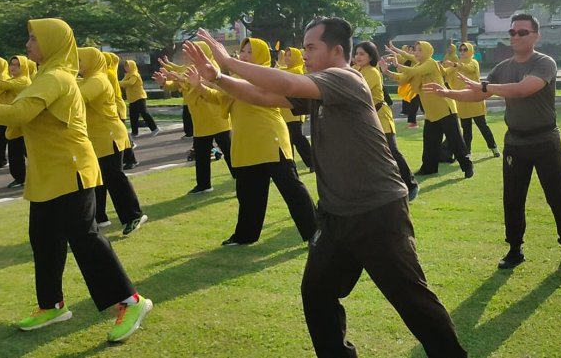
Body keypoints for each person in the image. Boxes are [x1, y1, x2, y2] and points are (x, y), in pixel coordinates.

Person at [185, 18, 466, 358]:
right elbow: (262, 94)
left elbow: (285, 80)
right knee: (317, 292)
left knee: (411, 299)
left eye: (311, 47)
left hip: (377, 211)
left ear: (336, 51)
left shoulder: (346, 78)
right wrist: (217, 77)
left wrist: (228, 61)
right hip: (336, 216)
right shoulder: (318, 88)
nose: (305, 53)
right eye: (304, 47)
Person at [0, 18, 151, 341]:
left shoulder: (56, 77)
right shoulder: (45, 76)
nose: (28, 45)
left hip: (70, 169)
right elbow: (21, 118)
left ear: (52, 43)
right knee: (44, 240)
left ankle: (131, 302)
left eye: (33, 39)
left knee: (85, 238)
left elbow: (17, 115)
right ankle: (52, 306)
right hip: (48, 172)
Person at [424, 13, 561, 271]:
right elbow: (477, 94)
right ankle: (514, 249)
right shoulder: (503, 67)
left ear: (536, 36)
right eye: (513, 32)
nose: (516, 36)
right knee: (513, 198)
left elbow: (523, 89)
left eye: (523, 32)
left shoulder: (544, 63)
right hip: (516, 142)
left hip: (545, 140)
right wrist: (447, 93)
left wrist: (485, 87)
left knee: (557, 196)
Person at [182, 37, 317, 246]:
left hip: (269, 139)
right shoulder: (235, 78)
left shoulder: (268, 77)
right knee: (248, 192)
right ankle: (245, 235)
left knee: (291, 188)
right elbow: (220, 98)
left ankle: (314, 232)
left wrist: (218, 76)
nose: (243, 55)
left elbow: (242, 88)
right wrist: (198, 86)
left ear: (261, 55)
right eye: (242, 52)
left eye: (249, 52)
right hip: (246, 141)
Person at [78, 47, 148, 236]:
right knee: (98, 179)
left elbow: (78, 96)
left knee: (114, 177)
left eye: (79, 60)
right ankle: (100, 217)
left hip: (109, 136)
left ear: (91, 61)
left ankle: (133, 215)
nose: (76, 64)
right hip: (98, 137)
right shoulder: (88, 79)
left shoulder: (98, 79)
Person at [381, 41, 474, 178]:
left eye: (419, 50)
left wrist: (397, 64)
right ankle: (429, 169)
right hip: (431, 112)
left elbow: (413, 71)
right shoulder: (418, 65)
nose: (416, 52)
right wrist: (387, 72)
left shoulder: (430, 63)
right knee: (430, 141)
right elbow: (403, 79)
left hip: (445, 108)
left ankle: (467, 167)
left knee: (455, 141)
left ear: (427, 51)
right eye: (415, 50)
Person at [155, 42, 233, 194]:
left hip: (216, 116)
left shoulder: (211, 67)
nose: (186, 55)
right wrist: (165, 82)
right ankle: (204, 185)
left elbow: (212, 86)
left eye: (190, 52)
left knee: (229, 151)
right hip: (199, 118)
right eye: (186, 53)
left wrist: (181, 79)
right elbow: (177, 84)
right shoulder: (188, 68)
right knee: (201, 153)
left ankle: (240, 176)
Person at [353, 41, 419, 201]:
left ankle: (411, 184)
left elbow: (356, 91)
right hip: (365, 118)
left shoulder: (373, 72)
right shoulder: (354, 70)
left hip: (380, 116)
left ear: (371, 56)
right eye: (356, 53)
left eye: (362, 54)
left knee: (391, 151)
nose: (358, 56)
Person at [443, 42, 500, 158]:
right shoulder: (456, 64)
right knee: (466, 130)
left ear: (470, 51)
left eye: (465, 49)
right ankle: (467, 152)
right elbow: (445, 72)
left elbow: (468, 69)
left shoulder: (473, 63)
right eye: (461, 50)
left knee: (483, 126)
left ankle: (494, 148)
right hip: (462, 101)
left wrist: (454, 65)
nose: (462, 52)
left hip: (475, 100)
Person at [0, 56, 34, 188]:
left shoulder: (23, 80)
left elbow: (3, 85)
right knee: (17, 152)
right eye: (12, 64)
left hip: (24, 124)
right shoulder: (13, 80)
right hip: (14, 124)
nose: (13, 67)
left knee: (26, 153)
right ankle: (20, 178)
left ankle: (24, 177)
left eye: (17, 65)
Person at [279, 47, 314, 171]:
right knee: (289, 139)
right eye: (286, 55)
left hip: (294, 113)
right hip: (284, 112)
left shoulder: (298, 70)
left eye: (290, 55)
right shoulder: (286, 70)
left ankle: (312, 162)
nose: (287, 58)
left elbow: (282, 75)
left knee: (298, 139)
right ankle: (291, 166)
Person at [103, 53, 139, 170]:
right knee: (119, 134)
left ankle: (131, 159)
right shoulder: (107, 72)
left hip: (116, 107)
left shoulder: (107, 74)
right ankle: (127, 158)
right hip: (114, 106)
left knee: (122, 135)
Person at [120, 59, 160, 138]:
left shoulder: (135, 74)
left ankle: (155, 128)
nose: (126, 67)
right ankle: (135, 132)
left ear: (132, 66)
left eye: (128, 66)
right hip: (132, 98)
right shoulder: (127, 75)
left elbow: (131, 83)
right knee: (133, 116)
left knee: (144, 113)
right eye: (125, 66)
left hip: (139, 97)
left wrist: (118, 82)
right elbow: (123, 84)